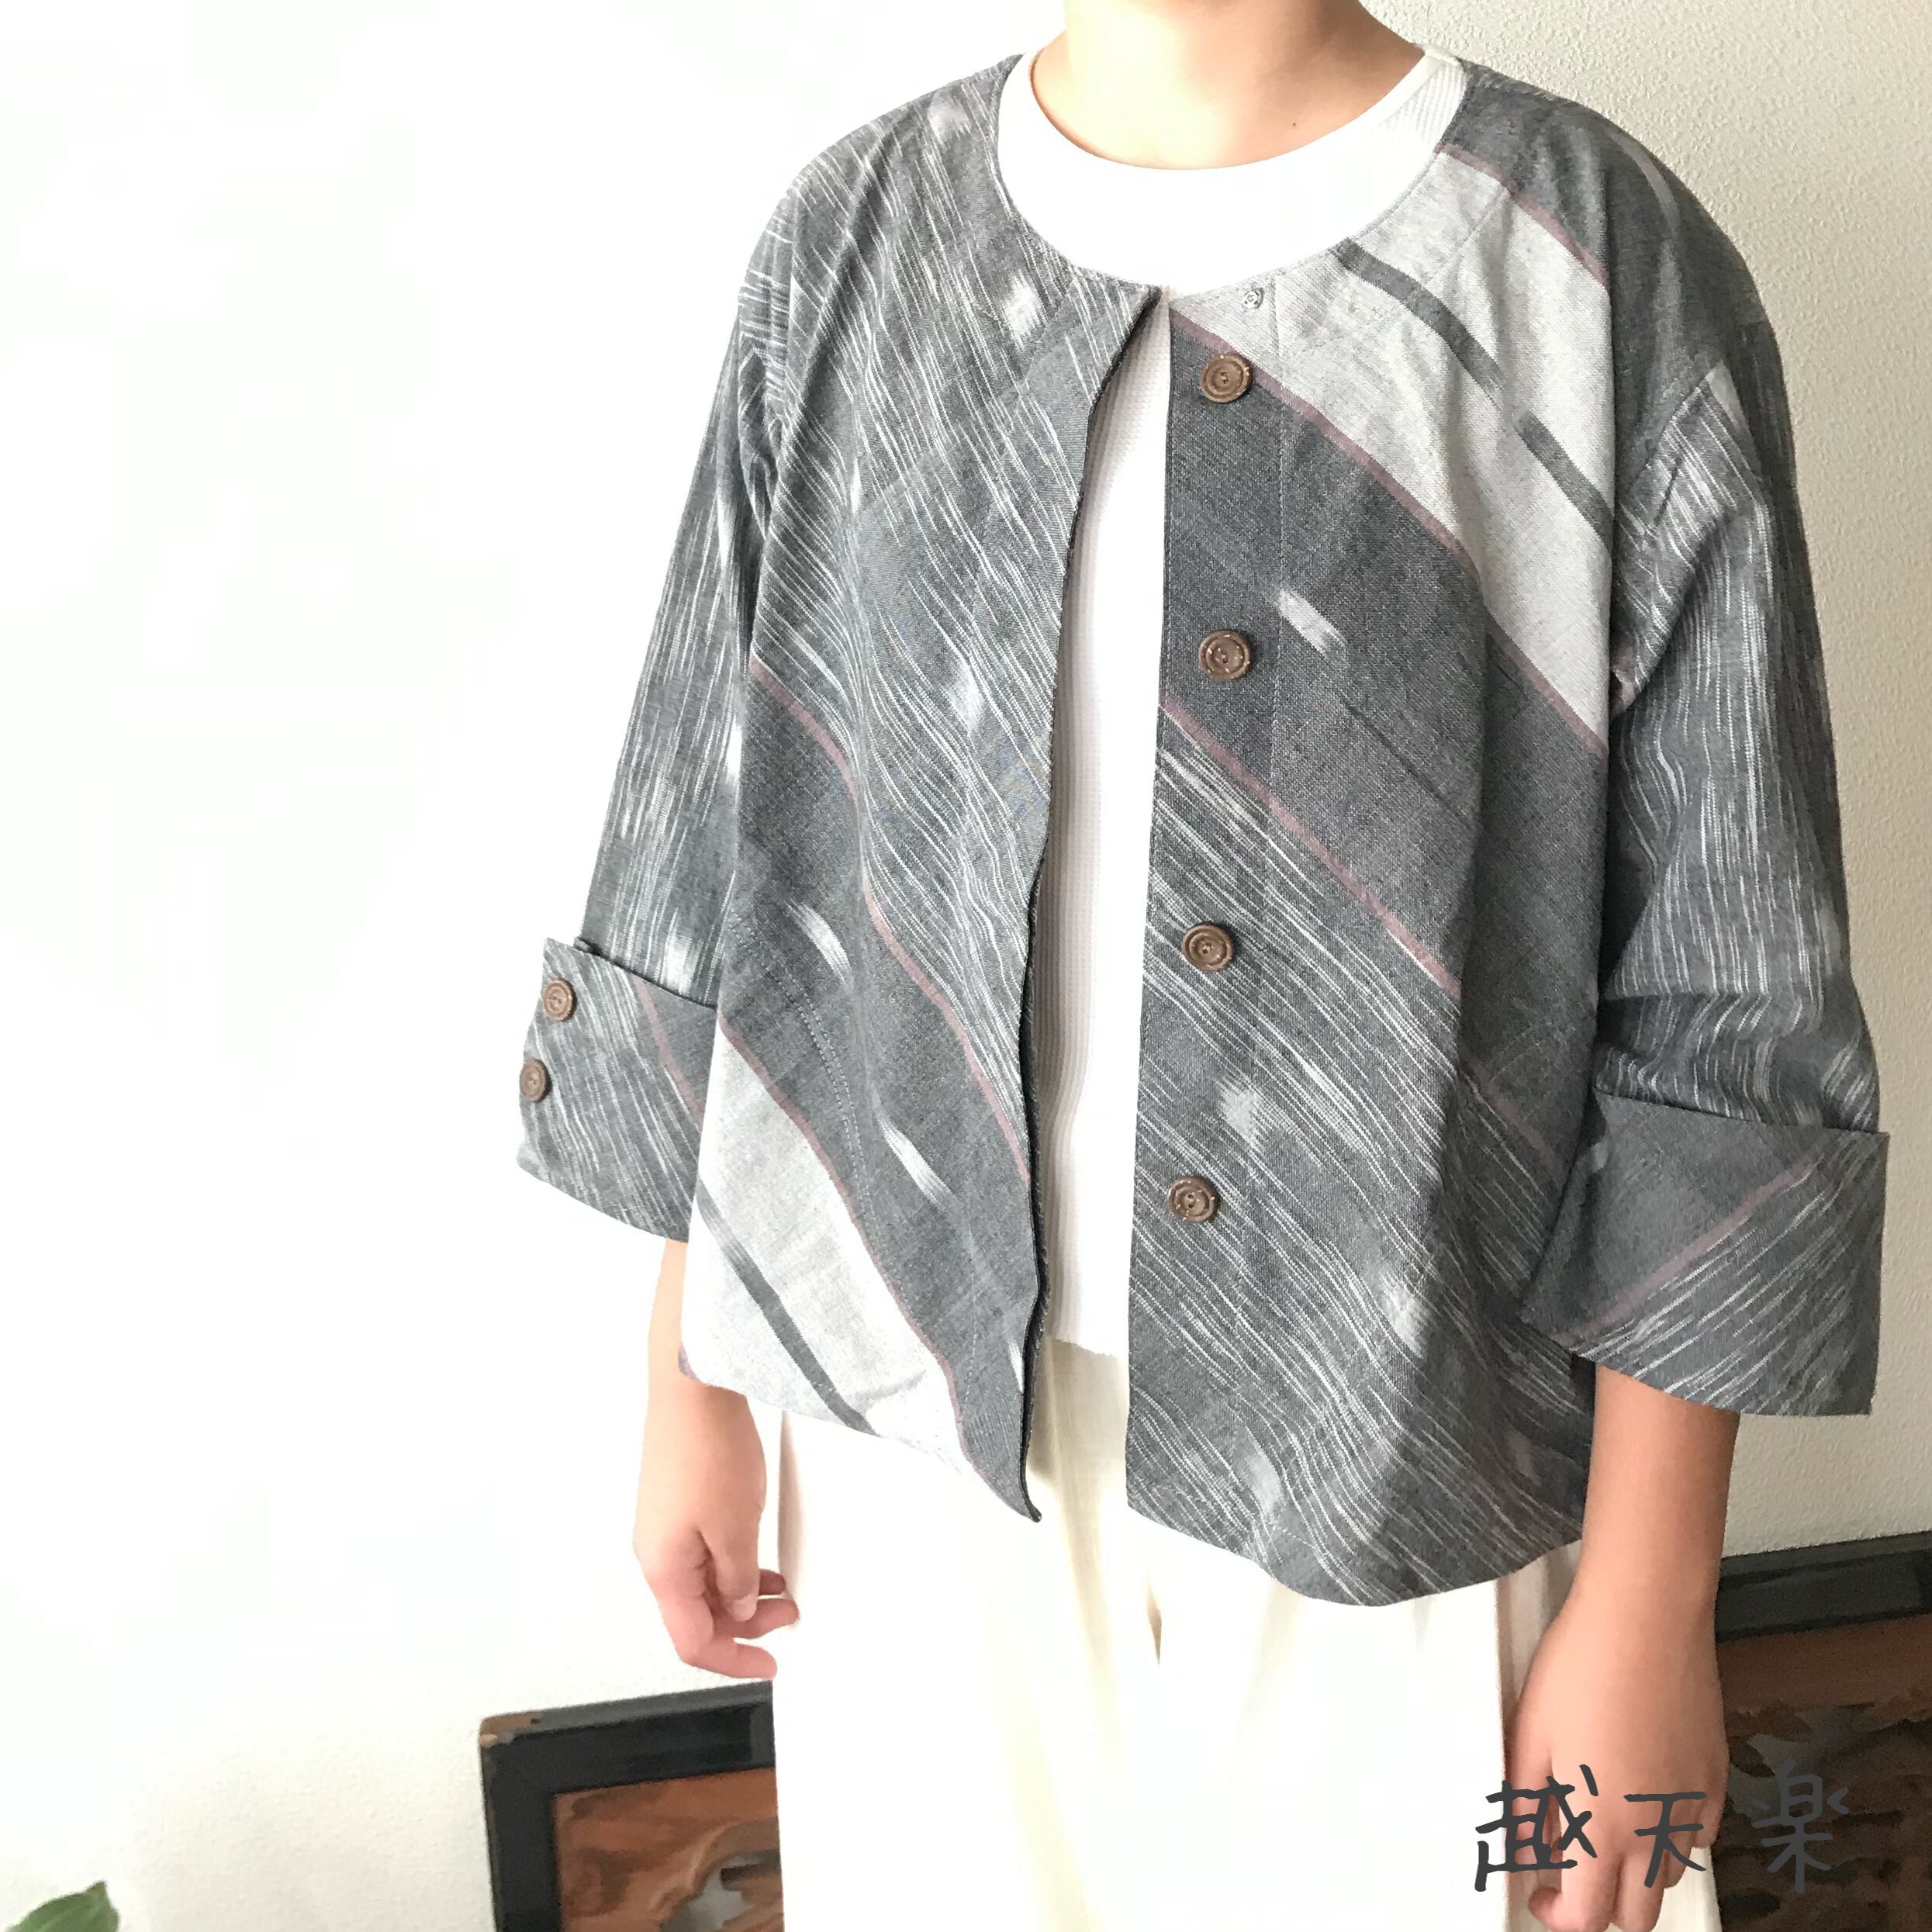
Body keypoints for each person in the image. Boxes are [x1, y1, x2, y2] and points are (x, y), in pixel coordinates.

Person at [516, 8, 1890, 1930]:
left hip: (1417, 1459)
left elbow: (1723, 983)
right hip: (908, 1456)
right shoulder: (857, 238)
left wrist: (1649, 1605)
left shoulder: (1588, 260)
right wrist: (694, 1378)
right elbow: (734, 838)